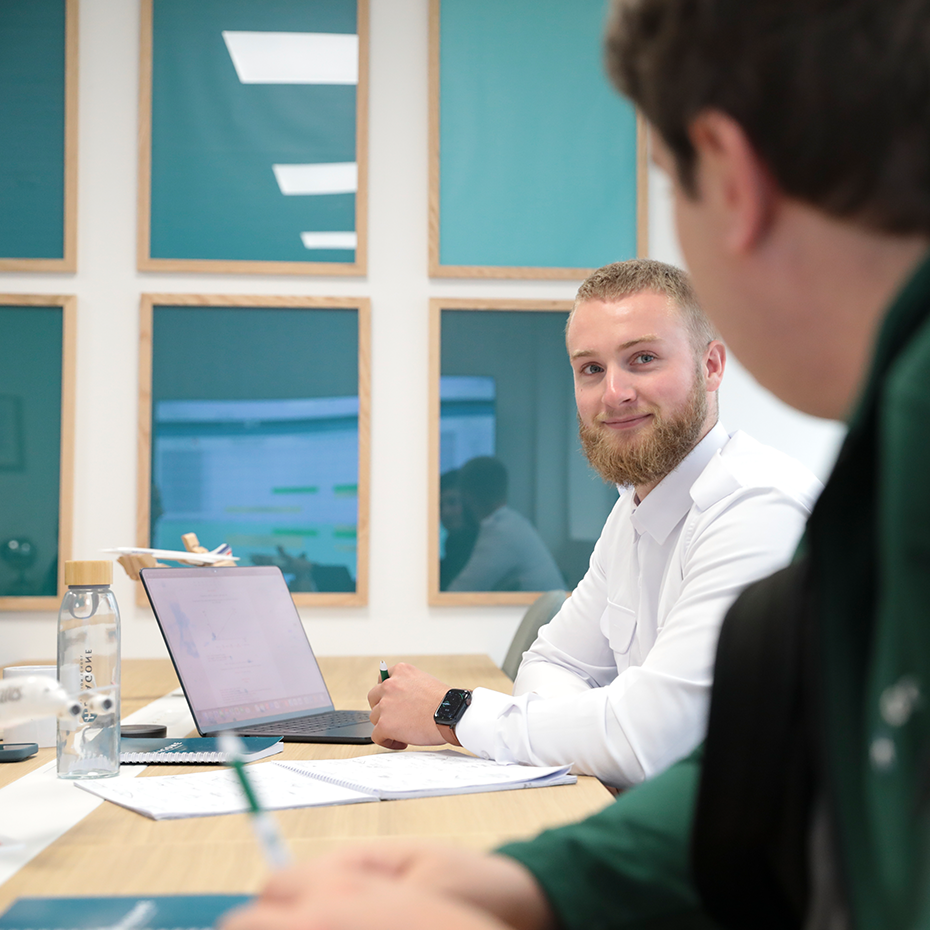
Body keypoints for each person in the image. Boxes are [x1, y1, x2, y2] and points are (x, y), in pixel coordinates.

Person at [219, 0, 930, 927]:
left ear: (727, 174)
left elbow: (656, 739)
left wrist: (467, 716)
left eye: (671, 184)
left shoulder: (812, 486)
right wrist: (529, 883)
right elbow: (777, 777)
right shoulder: (875, 460)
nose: (614, 392)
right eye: (590, 369)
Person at [366, 259, 820, 788]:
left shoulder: (757, 507)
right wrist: (603, 727)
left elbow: (645, 742)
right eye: (591, 369)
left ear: (712, 365)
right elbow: (551, 662)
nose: (613, 393)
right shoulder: (631, 513)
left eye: (643, 358)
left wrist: (454, 712)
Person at [445, 456, 565, 592]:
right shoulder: (513, 523)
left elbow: (459, 593)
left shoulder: (500, 533)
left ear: (466, 496)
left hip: (548, 613)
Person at [439, 468, 480, 591]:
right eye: (440, 505)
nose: (445, 512)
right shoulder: (452, 542)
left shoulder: (483, 543)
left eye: (452, 502)